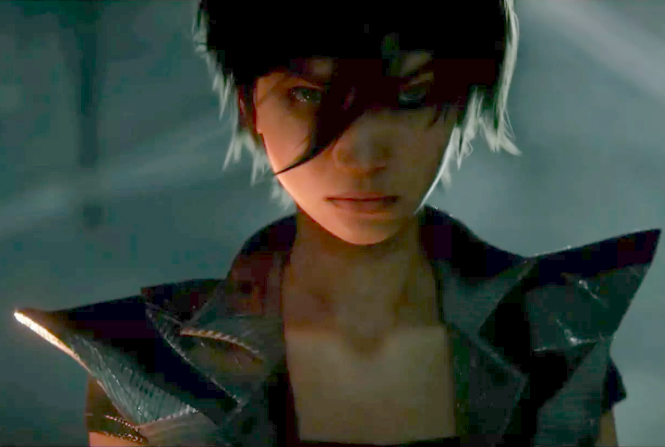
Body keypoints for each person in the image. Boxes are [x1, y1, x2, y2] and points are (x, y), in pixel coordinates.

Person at [14, 2, 661, 446]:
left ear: (462, 98)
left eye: (410, 96)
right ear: (250, 107)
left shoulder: (557, 331)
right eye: (310, 95)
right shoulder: (150, 364)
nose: (362, 152)